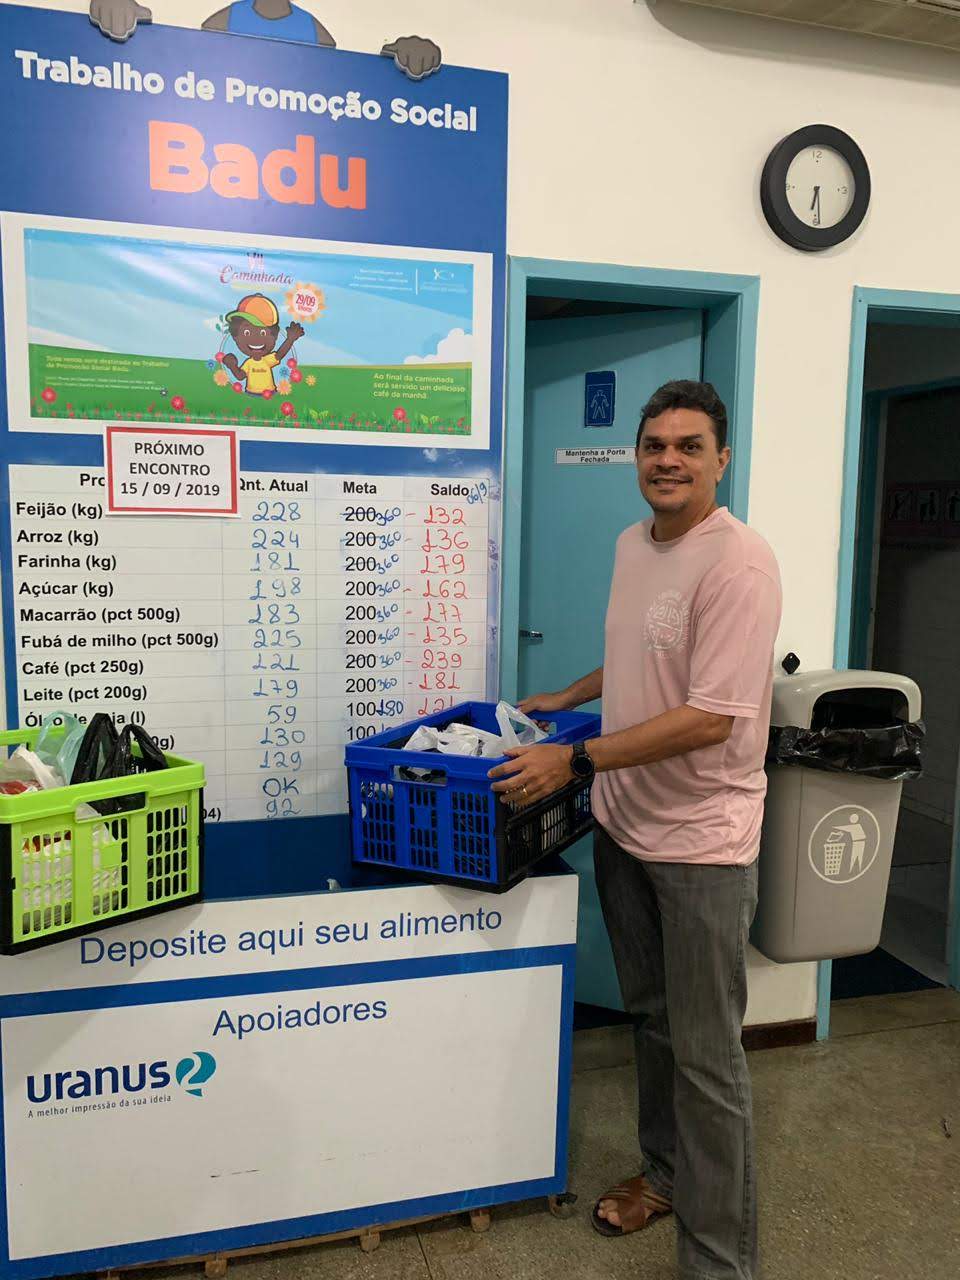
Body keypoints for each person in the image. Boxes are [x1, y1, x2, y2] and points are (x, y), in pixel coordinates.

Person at [488, 380, 782, 1280]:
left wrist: (575, 759)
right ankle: (663, 1177)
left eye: (689, 446)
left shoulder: (739, 564)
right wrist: (570, 695)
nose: (668, 460)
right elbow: (643, 656)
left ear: (721, 459)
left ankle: (719, 1261)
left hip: (701, 845)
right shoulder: (632, 543)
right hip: (625, 827)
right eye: (654, 445)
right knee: (652, 1021)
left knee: (707, 1060)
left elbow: (711, 717)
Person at [88, 0, 442, 79]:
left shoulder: (317, 35)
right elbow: (174, 69)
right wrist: (119, 12)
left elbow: (349, 89)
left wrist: (405, 59)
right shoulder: (222, 23)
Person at [221, 294, 304, 397]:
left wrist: (290, 339)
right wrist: (232, 366)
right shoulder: (249, 363)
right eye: (247, 332)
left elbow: (279, 354)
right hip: (250, 393)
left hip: (270, 393)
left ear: (274, 336)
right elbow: (241, 376)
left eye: (263, 333)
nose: (255, 339)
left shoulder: (267, 360)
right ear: (236, 336)